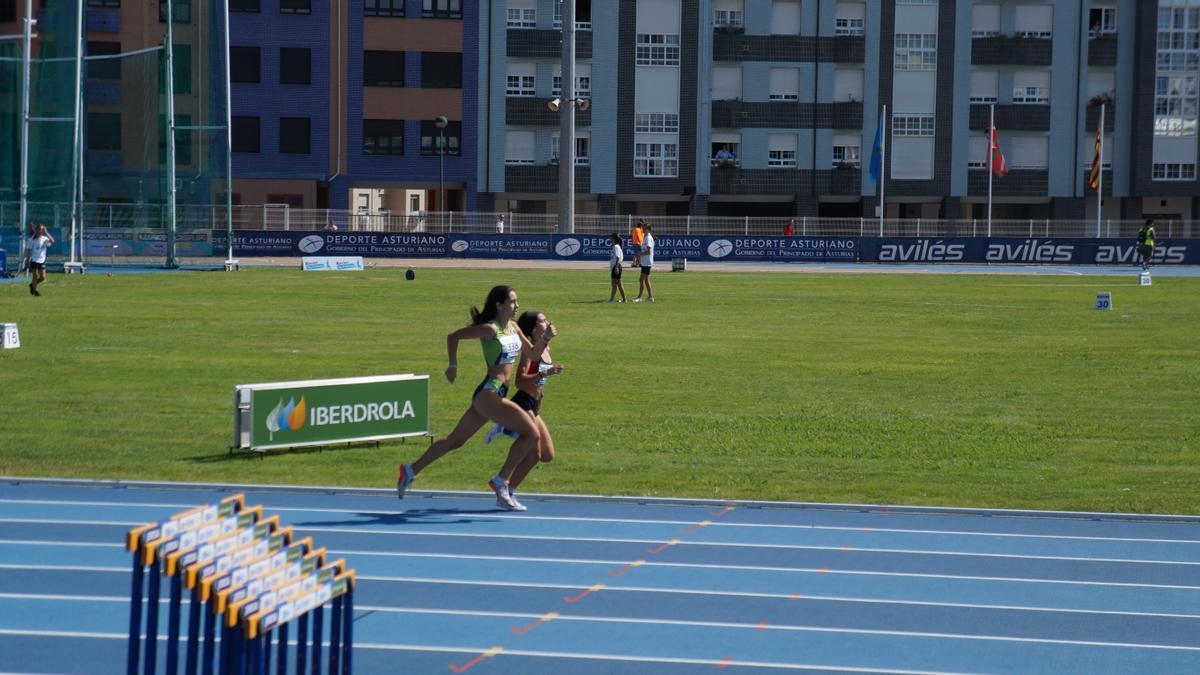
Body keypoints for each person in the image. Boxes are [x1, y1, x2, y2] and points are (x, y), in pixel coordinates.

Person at [395, 285, 554, 511]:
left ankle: (410, 470)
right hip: (489, 392)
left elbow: (533, 354)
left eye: (517, 301)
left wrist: (545, 338)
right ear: (499, 306)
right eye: (512, 301)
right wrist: (452, 365)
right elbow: (454, 336)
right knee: (530, 434)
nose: (517, 305)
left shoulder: (514, 328)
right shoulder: (490, 330)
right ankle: (501, 482)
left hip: (495, 394)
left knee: (455, 441)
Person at [484, 311, 564, 504]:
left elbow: (540, 383)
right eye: (542, 321)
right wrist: (546, 372)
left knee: (546, 455)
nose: (547, 322)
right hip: (523, 402)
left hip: (534, 405)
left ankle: (506, 488)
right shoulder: (530, 352)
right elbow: (520, 382)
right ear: (534, 328)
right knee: (534, 452)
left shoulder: (545, 348)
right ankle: (505, 489)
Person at [27, 224, 54, 297]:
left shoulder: (45, 238)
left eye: (42, 230)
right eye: (39, 229)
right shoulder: (31, 239)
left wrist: (47, 233)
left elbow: (52, 241)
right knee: (35, 276)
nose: (40, 231)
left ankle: (32, 285)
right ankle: (34, 292)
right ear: (36, 230)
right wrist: (27, 261)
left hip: (42, 260)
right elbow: (29, 251)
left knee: (43, 277)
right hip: (34, 259)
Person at [633, 224, 655, 303]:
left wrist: (640, 254)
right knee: (645, 279)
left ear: (648, 229)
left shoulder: (648, 238)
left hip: (647, 262)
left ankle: (640, 297)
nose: (643, 230)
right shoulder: (645, 238)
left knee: (642, 279)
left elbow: (648, 251)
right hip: (645, 262)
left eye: (644, 229)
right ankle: (650, 297)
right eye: (642, 228)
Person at [608, 233, 627, 303]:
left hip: (617, 267)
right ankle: (614, 299)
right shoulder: (616, 246)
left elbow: (618, 257)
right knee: (615, 284)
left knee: (617, 284)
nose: (610, 240)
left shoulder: (616, 247)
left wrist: (616, 267)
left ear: (613, 239)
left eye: (611, 238)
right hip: (615, 267)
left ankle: (622, 300)